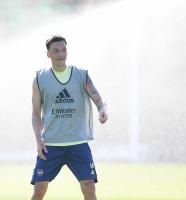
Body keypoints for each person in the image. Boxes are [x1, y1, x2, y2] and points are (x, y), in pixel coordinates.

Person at [30, 35, 108, 200]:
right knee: (39, 189)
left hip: (78, 143)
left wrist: (102, 110)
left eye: (64, 50)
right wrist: (38, 140)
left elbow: (98, 99)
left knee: (89, 187)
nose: (61, 54)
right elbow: (36, 113)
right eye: (56, 51)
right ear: (48, 54)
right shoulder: (39, 79)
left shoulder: (81, 75)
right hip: (51, 144)